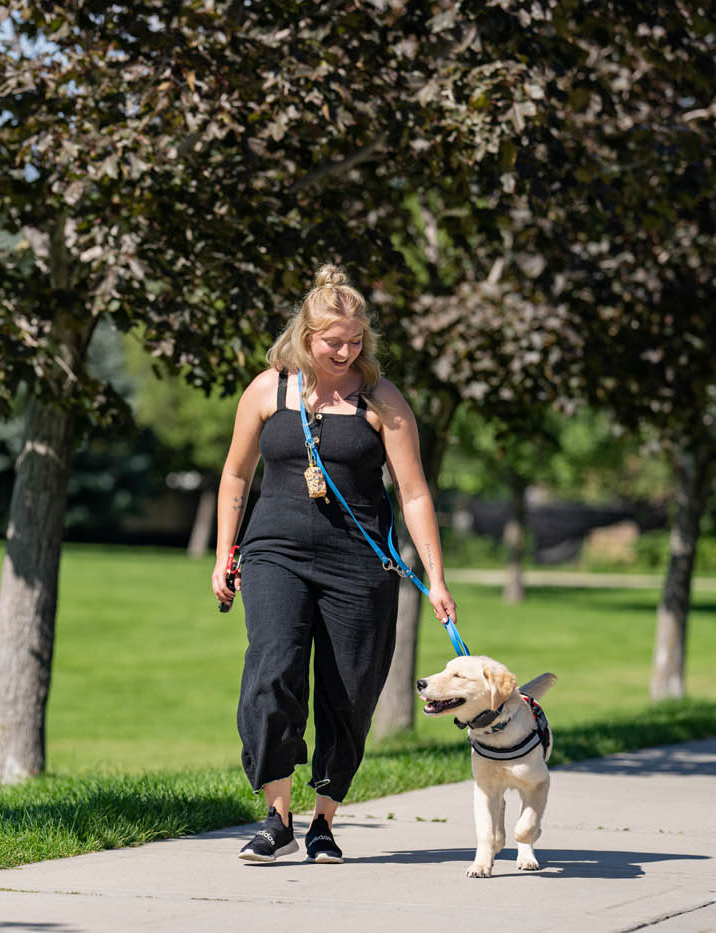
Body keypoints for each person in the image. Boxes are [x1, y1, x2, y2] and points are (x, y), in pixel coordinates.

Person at [212, 263, 458, 863]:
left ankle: (323, 819)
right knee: (273, 672)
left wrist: (436, 578)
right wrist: (225, 552)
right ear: (305, 335)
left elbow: (415, 492)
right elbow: (236, 474)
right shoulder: (267, 390)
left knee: (350, 692)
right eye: (332, 342)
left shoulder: (382, 399)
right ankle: (276, 816)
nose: (345, 352)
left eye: (355, 342)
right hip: (275, 553)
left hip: (359, 563)